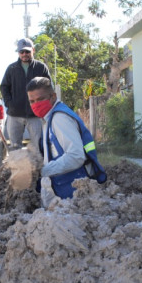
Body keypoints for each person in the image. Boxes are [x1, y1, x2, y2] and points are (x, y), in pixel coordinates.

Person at [26, 76, 106, 207]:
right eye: (32, 101)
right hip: (61, 185)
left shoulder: (60, 118)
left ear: (53, 96)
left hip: (71, 189)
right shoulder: (48, 118)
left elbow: (76, 156)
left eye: (40, 99)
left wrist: (42, 171)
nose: (36, 105)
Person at [0, 37, 50, 152]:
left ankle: (38, 169)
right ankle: (17, 169)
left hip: (36, 115)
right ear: (18, 52)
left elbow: (48, 88)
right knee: (14, 147)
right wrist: (9, 103)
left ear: (33, 50)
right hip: (15, 114)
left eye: (27, 51)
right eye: (21, 52)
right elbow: (4, 87)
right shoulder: (11, 68)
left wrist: (44, 107)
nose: (24, 54)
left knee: (39, 146)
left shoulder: (41, 67)